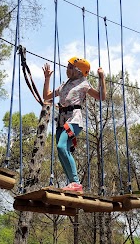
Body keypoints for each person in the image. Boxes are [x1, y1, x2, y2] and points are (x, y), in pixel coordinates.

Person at [43, 57, 106, 193]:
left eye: (70, 67)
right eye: (68, 67)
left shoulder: (84, 84)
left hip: (74, 120)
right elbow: (46, 96)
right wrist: (47, 78)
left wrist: (101, 78)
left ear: (78, 71)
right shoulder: (64, 85)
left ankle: (75, 183)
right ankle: (73, 183)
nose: (67, 70)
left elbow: (101, 96)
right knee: (61, 152)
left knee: (61, 147)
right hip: (61, 121)